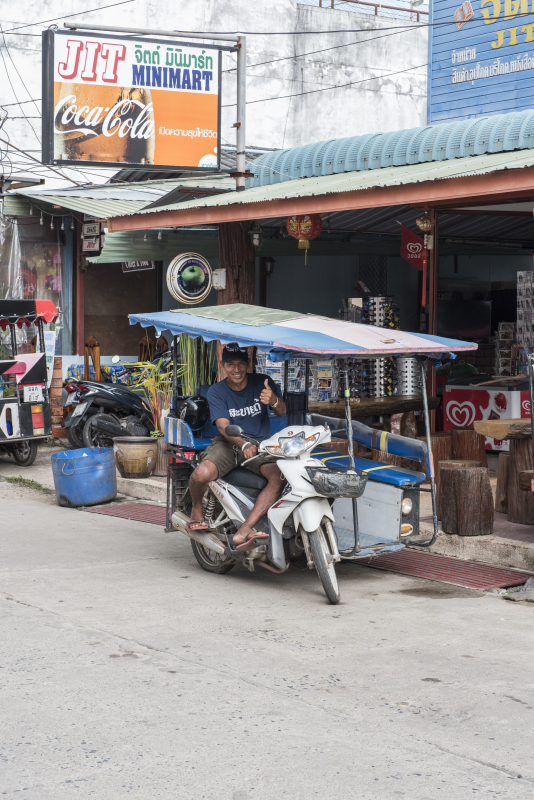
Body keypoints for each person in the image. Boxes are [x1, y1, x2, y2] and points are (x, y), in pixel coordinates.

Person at [188, 343, 287, 551]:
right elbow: (224, 427)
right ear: (223, 366)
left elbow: (282, 412)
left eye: (241, 364)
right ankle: (197, 507)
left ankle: (245, 530)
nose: (237, 369)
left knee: (279, 476)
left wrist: (274, 400)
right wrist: (243, 444)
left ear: (248, 364)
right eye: (231, 364)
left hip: (260, 446)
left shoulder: (263, 382)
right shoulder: (217, 391)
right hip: (229, 443)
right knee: (201, 474)